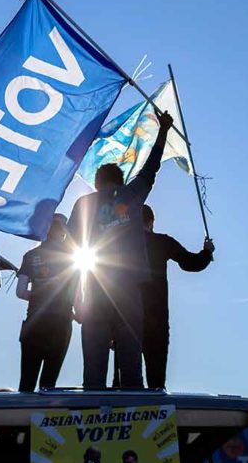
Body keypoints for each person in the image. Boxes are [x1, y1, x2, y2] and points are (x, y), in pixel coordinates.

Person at [68, 110, 173, 389]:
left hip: (95, 290)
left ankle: (92, 419)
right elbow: (152, 167)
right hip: (128, 292)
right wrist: (163, 130)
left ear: (98, 183)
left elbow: (71, 254)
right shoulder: (132, 195)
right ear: (121, 180)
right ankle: (134, 419)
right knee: (130, 363)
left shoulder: (83, 205)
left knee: (94, 364)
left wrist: (75, 297)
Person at [137, 204, 213, 389]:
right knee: (156, 378)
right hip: (157, 319)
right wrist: (207, 252)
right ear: (151, 222)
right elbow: (190, 263)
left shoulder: (119, 244)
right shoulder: (162, 242)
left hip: (126, 317)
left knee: (123, 378)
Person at [16, 214, 79, 392]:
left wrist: (38, 297)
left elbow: (20, 292)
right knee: (48, 384)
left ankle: (22, 418)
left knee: (26, 383)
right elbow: (77, 294)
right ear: (64, 231)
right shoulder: (73, 257)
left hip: (34, 322)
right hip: (61, 324)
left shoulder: (30, 255)